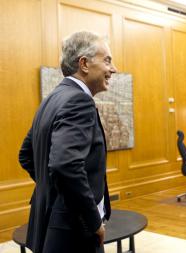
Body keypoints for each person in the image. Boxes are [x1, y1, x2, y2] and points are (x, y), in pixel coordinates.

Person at [19, 31, 117, 253]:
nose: (113, 69)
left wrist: (54, 188)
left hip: (52, 222)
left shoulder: (51, 99)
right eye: (107, 60)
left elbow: (25, 155)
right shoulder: (78, 101)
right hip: (73, 228)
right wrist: (93, 221)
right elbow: (65, 165)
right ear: (84, 64)